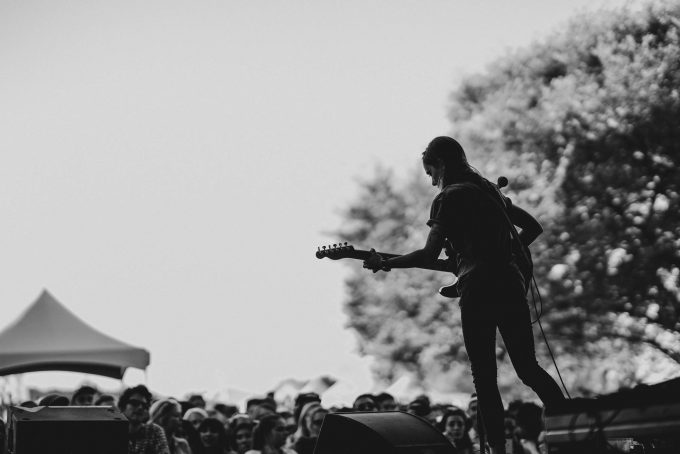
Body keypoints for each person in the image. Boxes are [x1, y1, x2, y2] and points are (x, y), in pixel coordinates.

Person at [363, 136, 566, 454]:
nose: (431, 182)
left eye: (430, 173)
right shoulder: (490, 192)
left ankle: (497, 451)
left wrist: (386, 263)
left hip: (478, 290)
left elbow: (429, 255)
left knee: (484, 376)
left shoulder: (449, 197)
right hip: (511, 284)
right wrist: (506, 254)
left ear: (440, 164)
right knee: (528, 367)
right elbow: (533, 228)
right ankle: (572, 428)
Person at [119, 384, 169, 454]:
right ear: (123, 406)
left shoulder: (154, 432)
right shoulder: (113, 432)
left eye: (144, 405)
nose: (140, 408)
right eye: (134, 403)